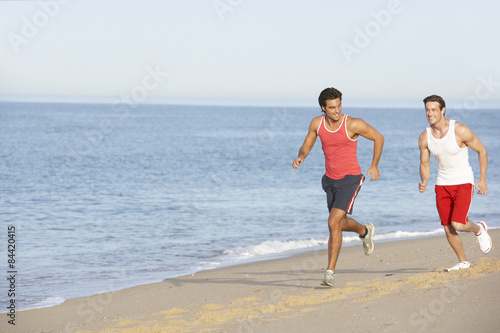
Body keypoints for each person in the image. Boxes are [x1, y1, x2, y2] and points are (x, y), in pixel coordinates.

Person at [292, 87, 384, 286]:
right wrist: (301, 156)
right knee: (340, 224)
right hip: (330, 180)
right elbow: (307, 143)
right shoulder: (317, 123)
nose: (337, 110)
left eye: (339, 105)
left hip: (350, 178)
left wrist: (374, 166)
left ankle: (330, 272)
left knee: (333, 222)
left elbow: (379, 137)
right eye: (332, 107)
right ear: (323, 108)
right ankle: (364, 231)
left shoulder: (352, 124)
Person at [418, 95, 492, 272]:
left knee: (458, 223)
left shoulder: (459, 130)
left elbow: (481, 150)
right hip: (442, 184)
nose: (430, 113)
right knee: (448, 227)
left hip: (463, 182)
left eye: (434, 109)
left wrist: (482, 179)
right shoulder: (425, 137)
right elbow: (425, 163)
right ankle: (463, 261)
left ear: (443, 110)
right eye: (427, 110)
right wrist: (425, 180)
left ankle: (479, 229)